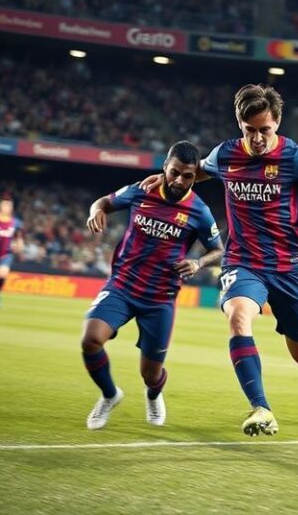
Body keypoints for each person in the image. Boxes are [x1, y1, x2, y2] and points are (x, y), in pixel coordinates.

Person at [141, 84, 298, 437]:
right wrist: (171, 179)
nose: (257, 138)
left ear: (277, 123)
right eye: (250, 131)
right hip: (243, 260)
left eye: (265, 130)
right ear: (239, 125)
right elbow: (198, 172)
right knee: (238, 316)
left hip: (288, 265)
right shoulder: (225, 154)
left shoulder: (295, 157)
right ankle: (261, 408)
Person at [82, 141, 224, 430]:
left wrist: (198, 263)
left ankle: (153, 394)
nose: (179, 181)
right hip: (122, 285)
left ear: (195, 176)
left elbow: (218, 250)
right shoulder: (141, 190)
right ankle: (110, 395)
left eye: (187, 176)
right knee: (90, 339)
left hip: (160, 298)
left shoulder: (199, 211)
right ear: (165, 167)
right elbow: (103, 202)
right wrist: (95, 211)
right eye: (174, 173)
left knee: (150, 374)